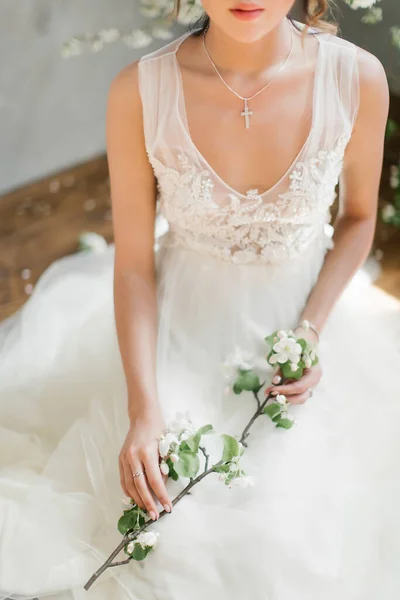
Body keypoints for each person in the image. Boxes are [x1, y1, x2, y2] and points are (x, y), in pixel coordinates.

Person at [1, 1, 400, 599]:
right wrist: (143, 409)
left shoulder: (358, 77)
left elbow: (359, 220)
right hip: (178, 329)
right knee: (175, 536)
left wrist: (310, 334)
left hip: (304, 324)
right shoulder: (140, 91)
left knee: (290, 534)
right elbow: (133, 265)